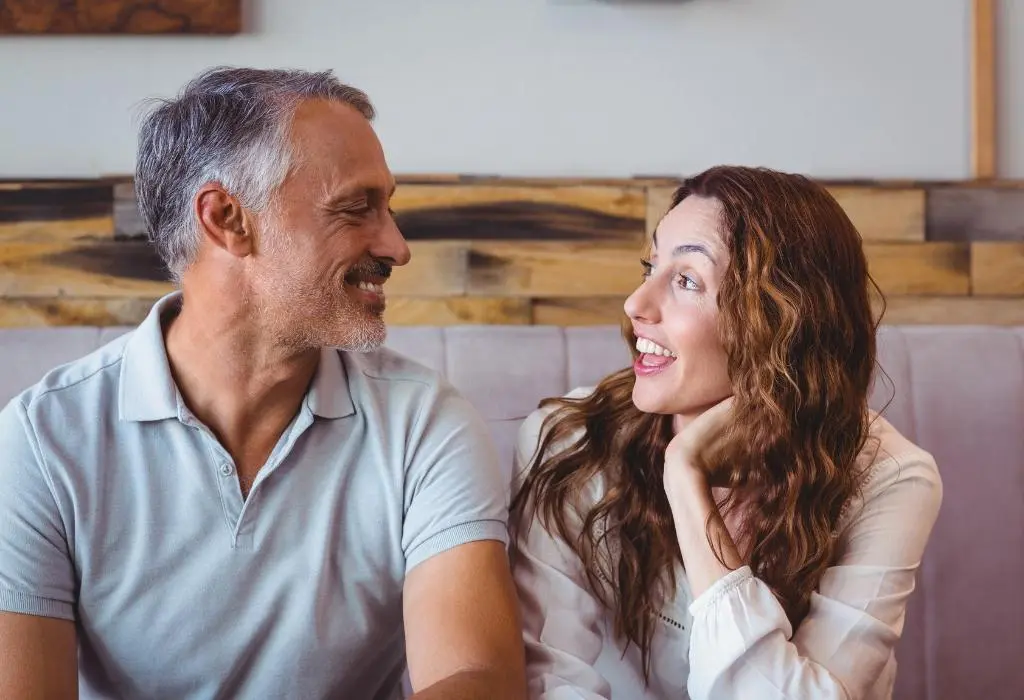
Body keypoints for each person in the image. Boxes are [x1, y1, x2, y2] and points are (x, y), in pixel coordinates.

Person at [0, 67, 526, 699]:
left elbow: (478, 679)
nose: (396, 246)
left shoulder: (425, 421)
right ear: (227, 218)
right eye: (356, 208)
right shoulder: (42, 439)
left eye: (389, 208)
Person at [509, 165, 943, 699]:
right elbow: (549, 682)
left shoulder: (889, 477)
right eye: (650, 265)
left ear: (780, 322)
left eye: (686, 279)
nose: (636, 305)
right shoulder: (570, 442)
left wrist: (685, 476)